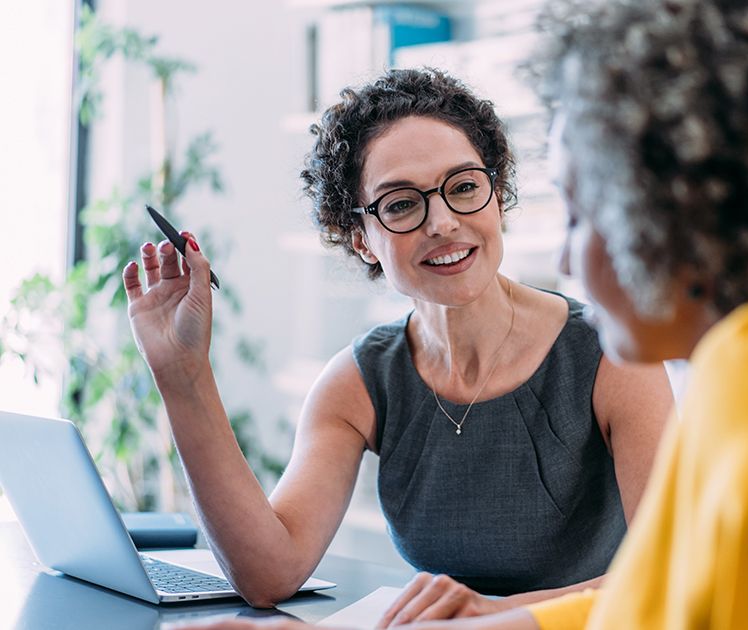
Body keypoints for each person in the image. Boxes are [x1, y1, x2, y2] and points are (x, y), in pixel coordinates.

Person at [178, 0, 748, 628]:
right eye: (400, 205)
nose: (567, 260)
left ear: (676, 206)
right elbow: (669, 594)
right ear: (359, 237)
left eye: (579, 212)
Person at [121, 67, 673, 621]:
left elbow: (674, 572)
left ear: (497, 197)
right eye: (402, 204)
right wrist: (182, 372)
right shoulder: (358, 382)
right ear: (361, 239)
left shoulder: (613, 355)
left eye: (463, 188)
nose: (442, 222)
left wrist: (493, 615)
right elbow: (268, 573)